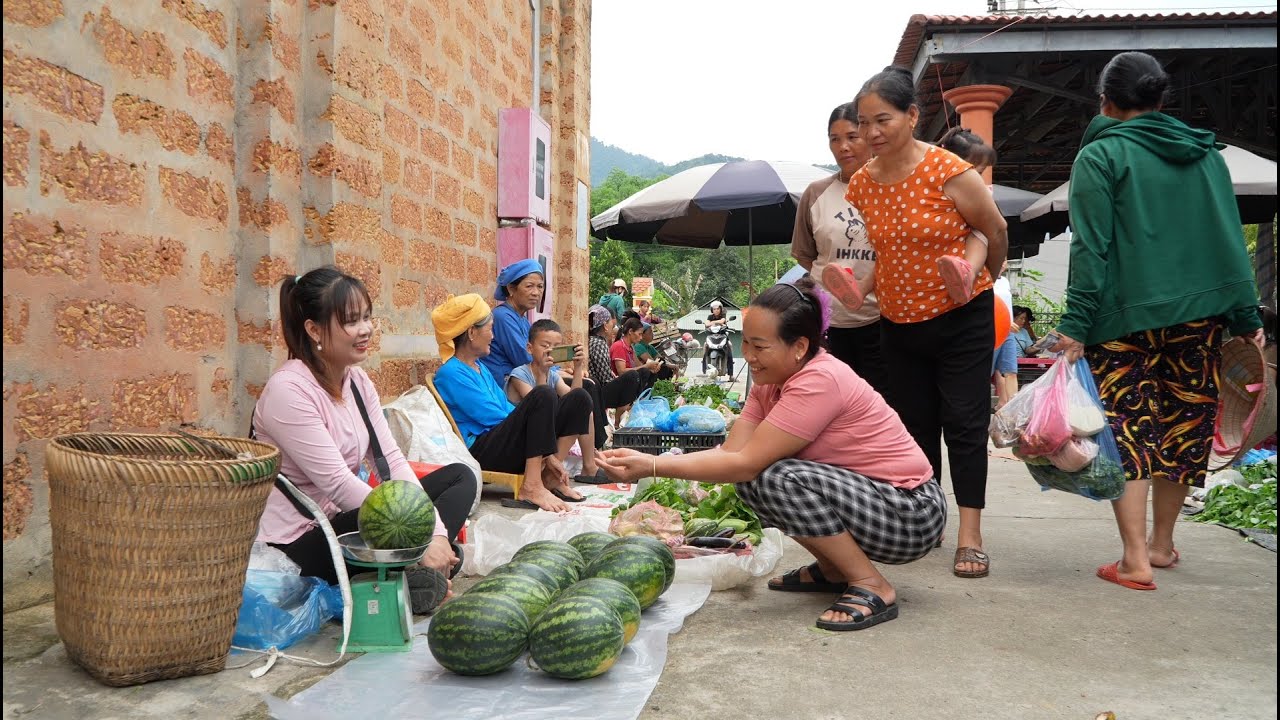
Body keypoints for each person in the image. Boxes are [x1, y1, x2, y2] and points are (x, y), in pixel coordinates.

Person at [598, 279, 945, 631]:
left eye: (760, 346)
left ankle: (872, 584)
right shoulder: (770, 383)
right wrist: (653, 463)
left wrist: (652, 464)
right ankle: (833, 569)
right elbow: (731, 453)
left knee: (773, 477)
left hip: (911, 513)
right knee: (753, 482)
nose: (748, 355)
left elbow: (746, 463)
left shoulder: (819, 379)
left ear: (799, 347)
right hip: (871, 502)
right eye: (746, 342)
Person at [1046, 51, 1263, 591]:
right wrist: (1244, 314)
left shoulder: (1100, 156)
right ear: (1161, 99)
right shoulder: (1206, 156)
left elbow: (1091, 250)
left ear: (1106, 100)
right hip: (1202, 316)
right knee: (1184, 426)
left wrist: (1076, 323)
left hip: (1122, 321)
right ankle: (1164, 545)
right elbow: (1227, 238)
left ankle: (1135, 559)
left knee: (1130, 431)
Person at [843, 66, 1009, 578]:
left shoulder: (948, 170)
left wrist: (984, 273)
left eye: (883, 120)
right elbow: (883, 250)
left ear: (912, 116)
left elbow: (994, 228)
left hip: (962, 317)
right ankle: (927, 522)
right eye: (863, 123)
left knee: (963, 424)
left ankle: (971, 536)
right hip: (899, 321)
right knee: (915, 430)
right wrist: (861, 285)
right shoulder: (862, 185)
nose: (871, 133)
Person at [253, 267, 477, 614]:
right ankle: (421, 567)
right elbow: (340, 486)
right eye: (351, 321)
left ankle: (422, 566)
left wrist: (433, 531)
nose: (366, 330)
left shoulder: (357, 381)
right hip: (301, 539)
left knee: (460, 477)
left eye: (367, 317)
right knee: (375, 523)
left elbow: (390, 461)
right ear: (313, 329)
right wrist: (421, 540)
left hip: (350, 517)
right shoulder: (288, 391)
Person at [432, 294, 595, 512]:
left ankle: (548, 478)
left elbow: (506, 408)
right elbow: (492, 416)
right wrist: (543, 444)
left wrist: (546, 448)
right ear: (472, 333)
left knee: (579, 399)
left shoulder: (480, 367)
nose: (493, 336)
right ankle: (532, 484)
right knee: (542, 395)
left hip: (505, 440)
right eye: (490, 329)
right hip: (484, 450)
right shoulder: (451, 373)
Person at [791, 102, 888, 395]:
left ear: (869, 137)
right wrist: (832, 284)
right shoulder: (816, 193)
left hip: (882, 320)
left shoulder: (893, 188)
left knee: (879, 400)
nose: (843, 146)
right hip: (828, 323)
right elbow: (805, 253)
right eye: (835, 139)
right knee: (831, 401)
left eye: (852, 136)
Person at [505, 319, 605, 483]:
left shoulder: (552, 374)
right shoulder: (519, 375)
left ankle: (589, 467)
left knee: (584, 407)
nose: (550, 351)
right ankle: (549, 471)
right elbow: (539, 404)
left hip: (545, 430)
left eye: (555, 347)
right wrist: (543, 373)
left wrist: (578, 367)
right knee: (571, 404)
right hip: (526, 435)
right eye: (545, 346)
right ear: (530, 348)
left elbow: (575, 397)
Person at [587, 304, 659, 429]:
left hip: (602, 387)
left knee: (643, 373)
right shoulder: (601, 344)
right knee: (632, 376)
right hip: (600, 392)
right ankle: (619, 416)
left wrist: (649, 367)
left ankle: (633, 407)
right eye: (611, 324)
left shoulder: (602, 342)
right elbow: (607, 378)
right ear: (605, 325)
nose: (613, 327)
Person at [480, 258, 544, 386]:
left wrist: (559, 370)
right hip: (505, 385)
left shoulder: (523, 320)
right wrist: (556, 373)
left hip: (525, 379)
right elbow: (524, 358)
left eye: (540, 286)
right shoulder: (503, 317)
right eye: (529, 286)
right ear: (511, 289)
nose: (536, 293)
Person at [991, 261, 1019, 410]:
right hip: (992, 331)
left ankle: (1013, 409)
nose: (1002, 263)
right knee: (987, 372)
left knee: (1011, 371)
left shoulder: (1005, 281)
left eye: (1004, 260)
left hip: (1008, 332)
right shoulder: (984, 280)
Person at [700, 300, 735, 376]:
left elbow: (722, 321)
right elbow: (706, 323)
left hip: (722, 335)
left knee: (729, 344)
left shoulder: (723, 315)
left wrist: (712, 323)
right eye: (714, 309)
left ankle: (731, 375)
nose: (716, 310)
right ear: (712, 310)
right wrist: (715, 323)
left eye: (718, 309)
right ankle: (704, 362)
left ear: (721, 309)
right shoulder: (710, 316)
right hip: (711, 336)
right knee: (705, 345)